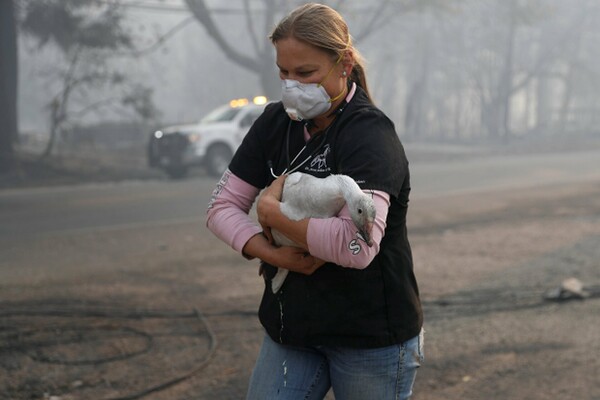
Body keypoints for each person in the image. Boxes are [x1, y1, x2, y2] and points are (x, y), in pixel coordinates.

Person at [206, 3, 423, 399]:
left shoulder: (370, 135)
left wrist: (273, 215)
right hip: (293, 330)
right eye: (283, 73)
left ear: (344, 63)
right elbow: (220, 208)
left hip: (369, 336)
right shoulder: (273, 124)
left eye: (305, 73)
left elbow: (356, 247)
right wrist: (274, 256)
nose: (292, 86)